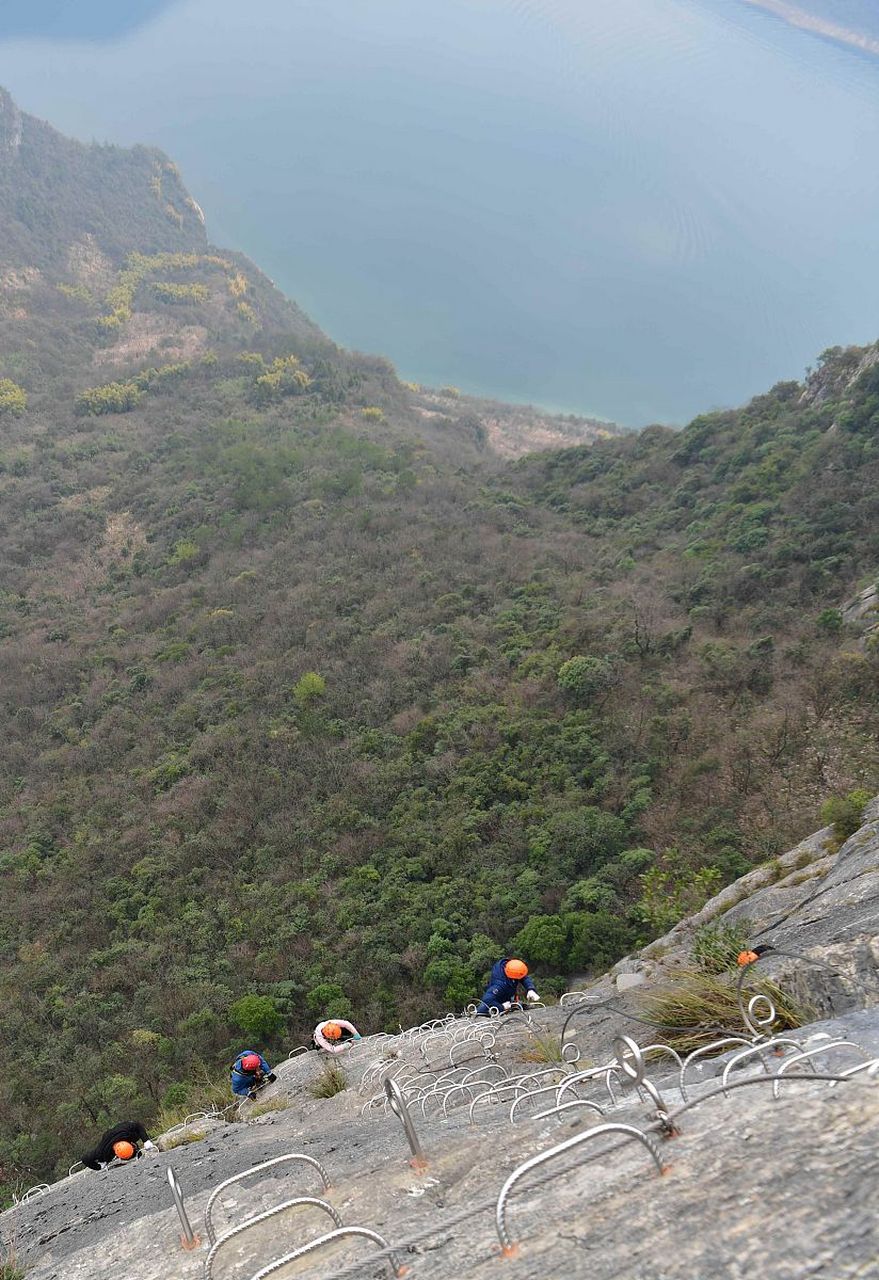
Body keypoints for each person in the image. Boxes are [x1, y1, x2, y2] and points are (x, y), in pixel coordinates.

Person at [475, 957, 540, 1016]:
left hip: (507, 998)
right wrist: (501, 1007)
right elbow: (487, 999)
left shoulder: (509, 966)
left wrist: (530, 989)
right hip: (496, 1002)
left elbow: (523, 977)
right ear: (513, 977)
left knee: (515, 1005)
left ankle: (514, 1005)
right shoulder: (499, 985)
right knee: (481, 1011)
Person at [81, 1121, 156, 1171]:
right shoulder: (102, 1153)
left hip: (122, 1127)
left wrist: (146, 1140)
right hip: (108, 1138)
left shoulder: (128, 1131)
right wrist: (100, 1166)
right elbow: (85, 1158)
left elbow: (137, 1125)